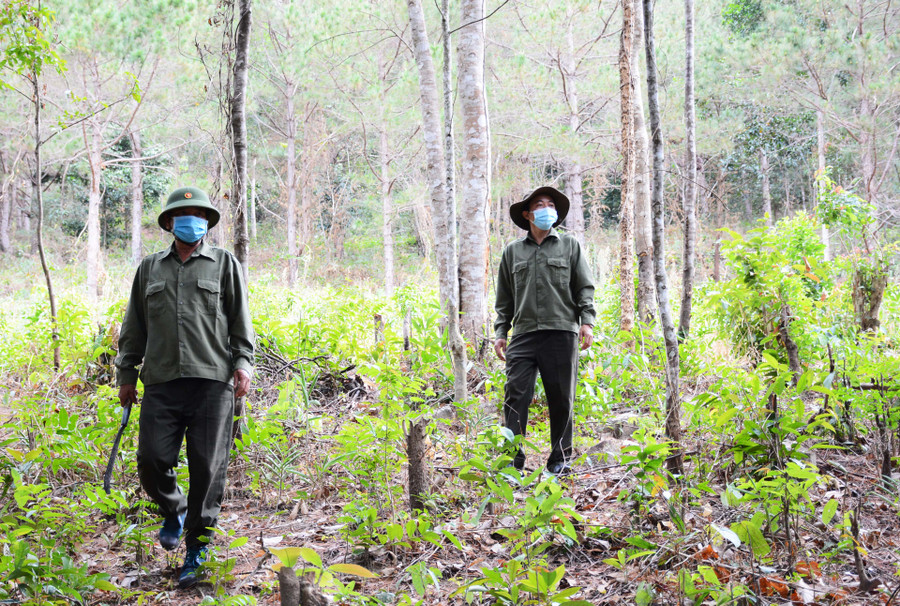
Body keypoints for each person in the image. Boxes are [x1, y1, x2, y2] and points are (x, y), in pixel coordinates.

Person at [116, 186, 254, 588]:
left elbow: (241, 322)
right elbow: (134, 325)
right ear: (170, 222)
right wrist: (126, 373)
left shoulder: (225, 264)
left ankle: (196, 549)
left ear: (206, 223)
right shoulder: (149, 269)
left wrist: (243, 363)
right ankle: (173, 509)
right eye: (183, 214)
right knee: (151, 460)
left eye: (198, 214)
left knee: (208, 469)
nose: (190, 220)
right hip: (161, 381)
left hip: (212, 382)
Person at [493, 186, 595, 475]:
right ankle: (512, 461)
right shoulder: (512, 252)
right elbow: (504, 298)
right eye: (540, 204)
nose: (547, 209)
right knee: (515, 396)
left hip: (561, 331)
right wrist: (502, 331)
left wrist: (586, 321)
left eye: (551, 204)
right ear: (527, 214)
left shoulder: (570, 246)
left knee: (562, 397)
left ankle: (559, 460)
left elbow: (584, 287)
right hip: (523, 334)